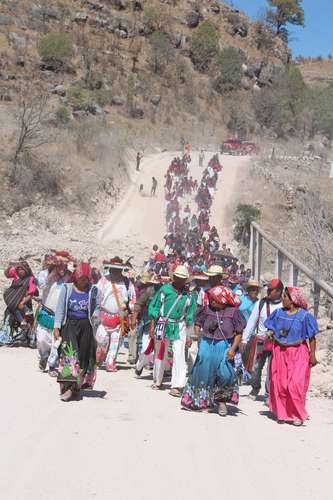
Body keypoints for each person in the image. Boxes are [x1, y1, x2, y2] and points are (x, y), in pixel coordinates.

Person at [181, 286, 245, 416]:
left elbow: (239, 333)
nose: (211, 301)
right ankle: (201, 401)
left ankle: (222, 401)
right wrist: (197, 334)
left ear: (222, 300)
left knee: (225, 373)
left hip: (224, 345)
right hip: (206, 343)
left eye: (214, 299)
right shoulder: (207, 309)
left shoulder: (233, 312)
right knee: (203, 371)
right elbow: (198, 323)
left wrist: (232, 349)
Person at [265, 287, 319, 426]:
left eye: (285, 297)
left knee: (295, 384)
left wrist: (312, 355)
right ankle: (282, 413)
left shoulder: (305, 316)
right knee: (280, 384)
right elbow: (271, 327)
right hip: (280, 351)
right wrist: (270, 333)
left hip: (298, 353)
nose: (282, 299)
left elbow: (312, 338)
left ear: (293, 300)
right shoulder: (278, 313)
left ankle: (296, 414)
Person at [148, 265, 197, 396]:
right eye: (178, 278)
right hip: (163, 323)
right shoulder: (165, 290)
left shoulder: (189, 295)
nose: (180, 281)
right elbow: (155, 306)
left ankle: (177, 385)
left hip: (179, 326)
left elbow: (190, 315)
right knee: (160, 352)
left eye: (182, 279)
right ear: (173, 277)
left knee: (179, 354)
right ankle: (157, 380)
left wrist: (189, 335)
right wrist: (152, 325)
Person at [54, 263, 99, 402]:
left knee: (84, 356)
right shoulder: (67, 289)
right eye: (82, 278)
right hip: (70, 326)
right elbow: (60, 308)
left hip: (86, 326)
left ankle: (76, 387)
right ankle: (67, 388)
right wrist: (56, 326)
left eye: (86, 279)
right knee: (69, 355)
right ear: (76, 277)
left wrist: (96, 315)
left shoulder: (93, 290)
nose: (84, 281)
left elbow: (97, 307)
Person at [241, 279, 283, 403]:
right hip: (259, 341)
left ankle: (268, 393)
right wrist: (244, 339)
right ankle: (255, 387)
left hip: (276, 342)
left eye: (271, 290)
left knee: (272, 368)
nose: (268, 292)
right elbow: (252, 321)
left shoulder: (284, 306)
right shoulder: (261, 303)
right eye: (268, 290)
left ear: (279, 291)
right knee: (255, 367)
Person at [95, 257, 136, 372]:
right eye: (114, 269)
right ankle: (100, 357)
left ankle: (110, 362)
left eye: (118, 269)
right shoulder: (103, 281)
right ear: (111, 268)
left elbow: (132, 298)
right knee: (101, 340)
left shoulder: (127, 283)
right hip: (104, 317)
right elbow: (96, 296)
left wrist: (130, 311)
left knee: (115, 343)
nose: (116, 271)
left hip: (119, 318)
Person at [36, 252, 72, 372]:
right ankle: (43, 356)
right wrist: (54, 271)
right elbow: (41, 286)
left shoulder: (70, 277)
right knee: (42, 340)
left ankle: (53, 366)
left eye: (64, 265)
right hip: (46, 312)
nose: (62, 267)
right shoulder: (44, 274)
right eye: (59, 264)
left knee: (56, 343)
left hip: (61, 316)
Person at [134, 273, 159, 376]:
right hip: (147, 323)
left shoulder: (168, 292)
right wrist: (134, 318)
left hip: (163, 324)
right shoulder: (148, 292)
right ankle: (139, 366)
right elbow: (138, 304)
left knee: (157, 351)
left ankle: (157, 374)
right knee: (146, 349)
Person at [3, 261, 38, 326]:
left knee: (28, 324)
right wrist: (12, 266)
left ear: (26, 270)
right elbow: (7, 274)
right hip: (14, 304)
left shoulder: (31, 279)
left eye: (22, 269)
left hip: (25, 304)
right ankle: (21, 322)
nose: (20, 271)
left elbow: (31, 293)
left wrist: (22, 303)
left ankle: (24, 323)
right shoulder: (17, 277)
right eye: (19, 269)